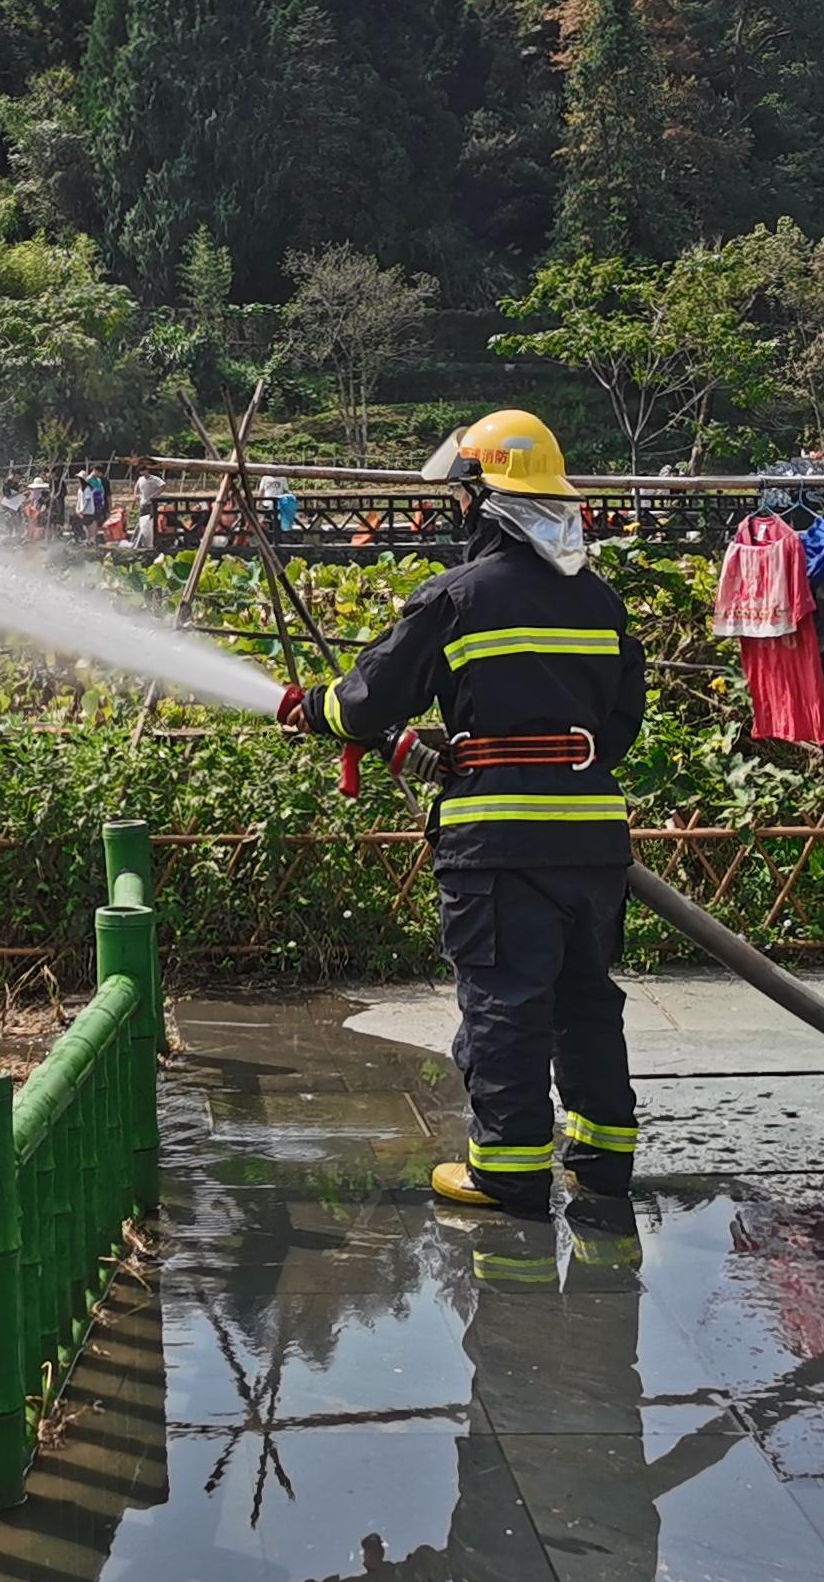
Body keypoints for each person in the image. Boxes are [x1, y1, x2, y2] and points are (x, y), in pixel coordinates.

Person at [277, 407, 648, 1218]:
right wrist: (497, 751)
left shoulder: (458, 598)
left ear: (484, 500)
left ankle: (507, 1172)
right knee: (589, 998)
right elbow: (617, 723)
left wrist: (313, 707)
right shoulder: (600, 602)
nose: (454, 509)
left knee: (507, 1003)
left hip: (499, 849)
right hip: (593, 842)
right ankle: (603, 1157)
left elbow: (366, 701)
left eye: (460, 496)